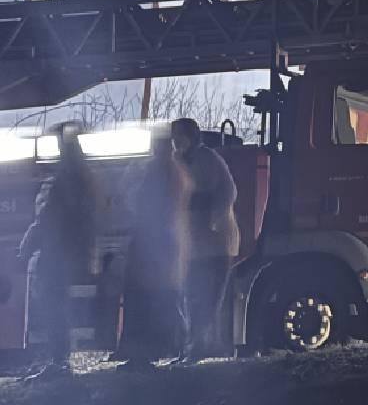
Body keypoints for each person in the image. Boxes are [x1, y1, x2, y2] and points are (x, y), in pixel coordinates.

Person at [17, 122, 97, 381]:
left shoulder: (64, 180)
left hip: (56, 252)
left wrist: (27, 247)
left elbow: (48, 218)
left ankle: (57, 359)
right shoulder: (80, 177)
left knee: (52, 305)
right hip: (67, 250)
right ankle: (57, 358)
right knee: (56, 304)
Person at [115, 129, 192, 372]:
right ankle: (162, 349)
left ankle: (145, 354)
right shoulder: (175, 171)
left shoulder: (160, 172)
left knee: (146, 301)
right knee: (161, 300)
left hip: (153, 246)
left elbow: (141, 203)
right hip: (162, 246)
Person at [172, 118, 239, 364]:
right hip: (191, 244)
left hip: (214, 242)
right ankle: (189, 347)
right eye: (174, 136)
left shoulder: (208, 159)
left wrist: (215, 218)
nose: (177, 141)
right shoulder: (176, 161)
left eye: (181, 136)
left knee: (208, 296)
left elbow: (228, 191)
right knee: (189, 295)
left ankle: (201, 345)